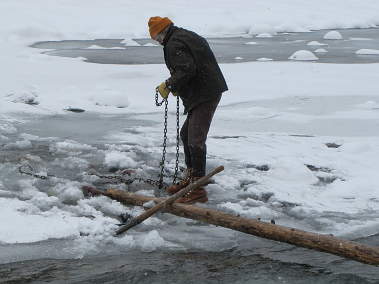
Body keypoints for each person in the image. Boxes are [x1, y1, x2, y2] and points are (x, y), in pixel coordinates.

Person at [149, 17, 228, 204]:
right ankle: (191, 179)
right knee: (186, 135)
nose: (157, 41)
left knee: (195, 140)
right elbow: (193, 64)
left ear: (161, 33)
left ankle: (197, 189)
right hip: (205, 90)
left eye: (155, 38)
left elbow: (186, 69)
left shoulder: (173, 43)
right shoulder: (185, 35)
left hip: (204, 93)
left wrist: (169, 84)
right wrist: (179, 86)